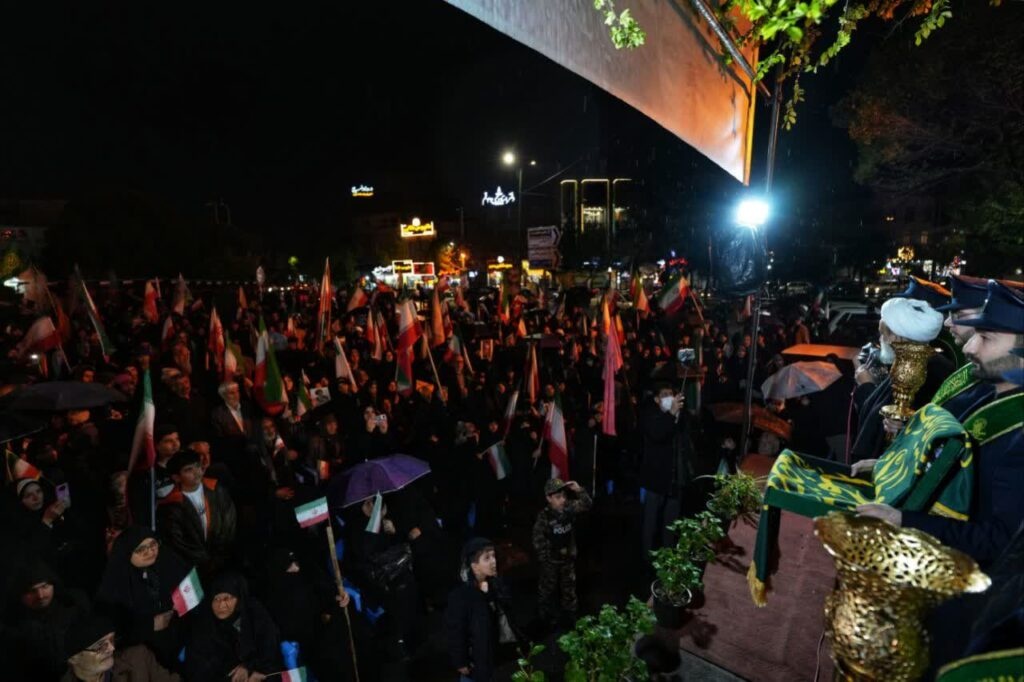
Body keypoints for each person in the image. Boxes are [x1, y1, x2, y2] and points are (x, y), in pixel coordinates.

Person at [858, 280, 1024, 566]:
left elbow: (1002, 541)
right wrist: (899, 468)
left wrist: (905, 521)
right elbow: (950, 462)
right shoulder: (985, 392)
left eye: (986, 337)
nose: (970, 347)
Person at [850, 297, 952, 461]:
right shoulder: (909, 362)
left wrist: (866, 386)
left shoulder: (926, 370)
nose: (883, 340)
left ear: (898, 337)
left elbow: (890, 423)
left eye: (885, 334)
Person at [95, 526, 190, 667]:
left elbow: (193, 595)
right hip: (138, 659)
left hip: (177, 646)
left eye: (153, 544)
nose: (150, 552)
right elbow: (112, 630)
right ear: (127, 553)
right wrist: (150, 625)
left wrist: (182, 605)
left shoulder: (169, 561)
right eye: (141, 549)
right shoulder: (115, 583)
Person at [263, 548, 362, 682]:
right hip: (306, 647)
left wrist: (339, 599)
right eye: (289, 566)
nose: (296, 568)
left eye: (296, 563)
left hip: (327, 634)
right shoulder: (275, 596)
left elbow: (326, 595)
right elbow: (287, 630)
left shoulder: (308, 578)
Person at [444, 538, 522, 682]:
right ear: (474, 566)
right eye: (487, 558)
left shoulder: (495, 585)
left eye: (493, 556)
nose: (493, 561)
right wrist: (460, 661)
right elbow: (456, 630)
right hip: (475, 660)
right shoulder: (461, 596)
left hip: (494, 656)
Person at [2, 559, 90, 682]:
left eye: (44, 586)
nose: (40, 595)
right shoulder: (11, 628)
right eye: (32, 591)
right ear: (20, 595)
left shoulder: (73, 607)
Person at [185, 572, 281, 682]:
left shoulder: (254, 615)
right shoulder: (205, 623)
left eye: (227, 598)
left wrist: (248, 667)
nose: (221, 605)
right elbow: (197, 666)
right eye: (216, 599)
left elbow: (269, 649)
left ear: (239, 598)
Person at [532, 478, 591, 627]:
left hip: (567, 559)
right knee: (547, 590)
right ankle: (545, 618)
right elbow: (538, 539)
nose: (563, 500)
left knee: (569, 589)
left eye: (564, 496)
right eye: (558, 497)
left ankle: (570, 617)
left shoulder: (569, 508)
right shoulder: (544, 516)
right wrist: (545, 558)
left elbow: (587, 504)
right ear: (549, 498)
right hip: (551, 561)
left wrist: (579, 490)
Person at [639, 385, 691, 554]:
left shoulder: (680, 416)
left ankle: (668, 553)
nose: (669, 397)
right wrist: (670, 414)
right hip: (656, 478)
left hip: (675, 478)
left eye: (671, 394)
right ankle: (647, 554)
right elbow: (657, 434)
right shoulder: (651, 415)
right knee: (651, 518)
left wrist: (678, 414)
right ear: (657, 399)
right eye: (664, 394)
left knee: (671, 521)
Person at [61, 612, 180, 682]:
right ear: (74, 658)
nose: (112, 648)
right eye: (101, 646)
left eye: (112, 639)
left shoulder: (138, 659)